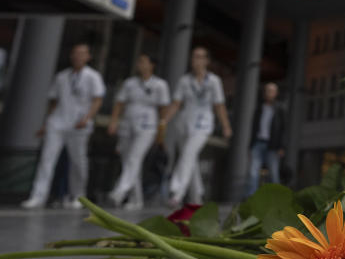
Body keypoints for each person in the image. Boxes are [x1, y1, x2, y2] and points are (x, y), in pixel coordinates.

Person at [21, 43, 105, 209]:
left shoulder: (93, 76)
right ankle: (38, 196)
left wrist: (87, 118)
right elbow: (54, 101)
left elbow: (97, 100)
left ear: (88, 57)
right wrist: (46, 123)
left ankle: (78, 196)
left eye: (82, 53)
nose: (77, 56)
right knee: (47, 159)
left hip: (79, 124)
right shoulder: (62, 76)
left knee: (78, 162)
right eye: (75, 53)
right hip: (58, 122)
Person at [160, 47, 232, 207]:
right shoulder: (184, 80)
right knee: (190, 159)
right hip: (184, 124)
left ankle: (176, 192)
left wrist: (226, 126)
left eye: (200, 57)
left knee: (187, 154)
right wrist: (163, 120)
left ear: (207, 60)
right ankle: (197, 196)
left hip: (203, 125)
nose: (196, 60)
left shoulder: (214, 81)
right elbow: (176, 104)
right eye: (194, 57)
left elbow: (219, 105)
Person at [106, 54, 170, 210]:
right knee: (128, 161)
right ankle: (136, 199)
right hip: (127, 124)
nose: (139, 64)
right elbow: (119, 104)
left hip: (148, 126)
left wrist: (161, 132)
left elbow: (163, 110)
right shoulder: (129, 83)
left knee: (134, 159)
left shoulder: (160, 85)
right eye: (138, 61)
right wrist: (114, 122)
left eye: (143, 62)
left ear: (152, 65)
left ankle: (118, 192)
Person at [246, 82, 286, 196]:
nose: (269, 93)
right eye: (267, 90)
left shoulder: (280, 109)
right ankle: (251, 199)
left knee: (274, 174)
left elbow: (283, 129)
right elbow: (253, 128)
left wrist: (282, 146)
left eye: (272, 91)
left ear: (276, 93)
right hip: (258, 143)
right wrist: (250, 145)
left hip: (273, 145)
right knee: (253, 172)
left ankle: (278, 199)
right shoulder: (259, 108)